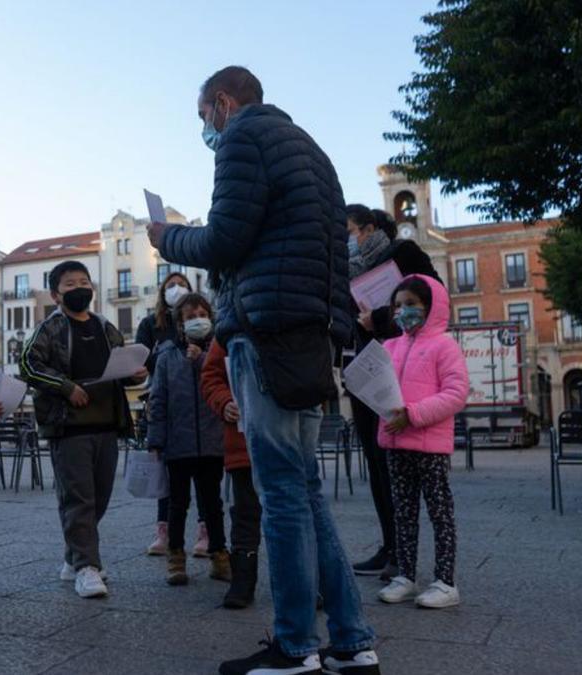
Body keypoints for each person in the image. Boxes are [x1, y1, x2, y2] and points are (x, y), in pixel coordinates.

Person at [148, 66, 379, 675]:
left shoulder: (243, 139)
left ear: (222, 103)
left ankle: (295, 646)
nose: (207, 129)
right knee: (303, 488)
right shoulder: (312, 149)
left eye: (204, 117)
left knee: (280, 492)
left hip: (266, 328)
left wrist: (166, 237)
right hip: (309, 331)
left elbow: (224, 240)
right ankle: (353, 641)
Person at [20, 260, 147, 599]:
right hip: (69, 426)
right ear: (55, 293)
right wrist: (65, 387)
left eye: (84, 281)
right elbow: (28, 365)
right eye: (70, 283)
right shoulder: (49, 329)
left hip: (107, 422)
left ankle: (73, 556)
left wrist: (136, 374)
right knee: (79, 498)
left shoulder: (105, 327)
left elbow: (121, 363)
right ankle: (87, 567)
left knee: (100, 497)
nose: (80, 288)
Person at [345, 205, 441, 580]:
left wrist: (381, 319)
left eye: (350, 232)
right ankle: (390, 545)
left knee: (400, 464)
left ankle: (406, 551)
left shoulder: (405, 254)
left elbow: (433, 300)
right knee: (375, 460)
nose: (347, 241)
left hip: (403, 368)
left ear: (370, 228)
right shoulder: (348, 271)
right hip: (364, 370)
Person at [375, 274, 469, 609]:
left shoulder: (444, 346)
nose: (403, 311)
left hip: (428, 445)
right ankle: (406, 575)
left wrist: (413, 414)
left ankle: (446, 581)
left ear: (431, 307)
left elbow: (457, 394)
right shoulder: (390, 347)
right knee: (403, 512)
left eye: (411, 304)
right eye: (398, 305)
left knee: (439, 512)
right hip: (396, 443)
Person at [147, 293, 229, 586]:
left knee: (212, 503)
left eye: (202, 314)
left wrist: (204, 359)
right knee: (177, 504)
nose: (198, 321)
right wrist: (155, 440)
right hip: (178, 444)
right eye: (190, 317)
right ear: (180, 324)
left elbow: (227, 382)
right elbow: (158, 399)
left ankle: (219, 554)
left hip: (211, 442)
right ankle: (176, 556)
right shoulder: (167, 356)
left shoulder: (219, 351)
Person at [135, 272, 209, 558]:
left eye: (181, 285)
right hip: (166, 398)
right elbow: (140, 356)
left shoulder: (202, 324)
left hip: (202, 402)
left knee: (205, 475)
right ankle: (163, 530)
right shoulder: (150, 324)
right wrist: (166, 355)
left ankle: (204, 529)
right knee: (167, 474)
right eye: (170, 286)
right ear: (162, 293)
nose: (176, 289)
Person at [201, 337, 261, 609]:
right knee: (246, 513)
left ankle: (303, 582)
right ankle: (243, 581)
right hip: (243, 441)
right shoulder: (230, 327)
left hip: (287, 438)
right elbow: (211, 376)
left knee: (292, 514)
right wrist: (224, 402)